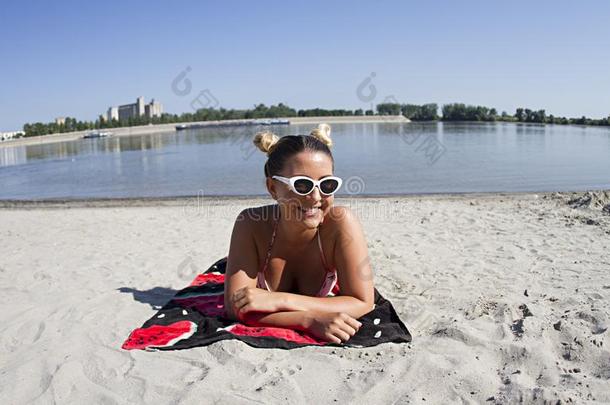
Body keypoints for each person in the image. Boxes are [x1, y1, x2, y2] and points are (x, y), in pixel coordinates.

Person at [224, 124, 374, 344]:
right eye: (302, 185)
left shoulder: (340, 224)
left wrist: (278, 300)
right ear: (273, 188)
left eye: (327, 184)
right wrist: (307, 320)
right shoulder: (251, 225)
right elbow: (236, 307)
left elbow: (363, 301)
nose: (315, 197)